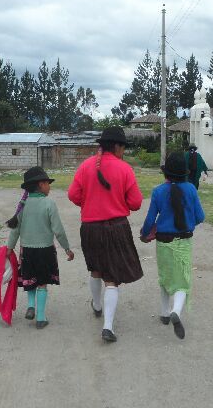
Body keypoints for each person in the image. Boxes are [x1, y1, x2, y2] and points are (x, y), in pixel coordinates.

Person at [68, 126, 143, 343]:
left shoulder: (85, 166)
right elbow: (136, 203)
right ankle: (107, 327)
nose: (124, 152)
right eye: (123, 147)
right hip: (116, 227)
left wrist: (89, 202)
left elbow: (73, 194)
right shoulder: (125, 169)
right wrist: (119, 201)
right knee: (112, 279)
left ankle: (97, 305)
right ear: (117, 146)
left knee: (96, 269)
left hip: (90, 227)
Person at [140, 152, 205, 340]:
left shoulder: (158, 191)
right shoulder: (191, 189)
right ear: (184, 173)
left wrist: (145, 235)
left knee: (165, 276)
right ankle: (177, 310)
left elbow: (150, 219)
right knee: (182, 281)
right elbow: (200, 217)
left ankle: (165, 313)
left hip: (163, 242)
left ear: (165, 173)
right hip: (183, 241)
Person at [6, 166, 74, 329]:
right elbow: (58, 230)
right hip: (45, 251)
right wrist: (67, 248)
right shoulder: (49, 204)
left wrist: (9, 248)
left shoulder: (23, 205)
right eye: (48, 183)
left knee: (30, 279)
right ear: (41, 184)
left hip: (27, 250)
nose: (49, 187)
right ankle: (41, 318)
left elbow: (15, 230)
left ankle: (31, 306)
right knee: (42, 282)